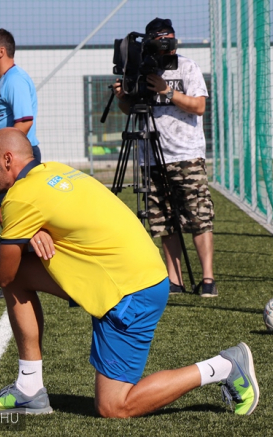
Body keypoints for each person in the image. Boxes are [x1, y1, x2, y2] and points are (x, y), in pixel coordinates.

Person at [0, 128, 259, 417]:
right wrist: (32, 232)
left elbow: (3, 274)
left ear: (8, 160)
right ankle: (29, 388)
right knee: (21, 273)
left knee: (114, 406)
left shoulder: (21, 197)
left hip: (131, 290)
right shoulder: (53, 170)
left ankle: (224, 366)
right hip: (137, 272)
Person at [113, 18, 217, 297]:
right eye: (160, 43)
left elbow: (199, 106)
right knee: (163, 220)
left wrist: (166, 90)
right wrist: (123, 96)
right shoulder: (139, 70)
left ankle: (208, 279)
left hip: (186, 154)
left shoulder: (187, 67)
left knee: (198, 216)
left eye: (169, 42)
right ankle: (175, 280)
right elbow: (131, 110)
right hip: (151, 157)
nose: (166, 49)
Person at [0, 28, 40, 299]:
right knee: (7, 216)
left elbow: (24, 122)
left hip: (15, 160)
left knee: (16, 218)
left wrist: (4, 158)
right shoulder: (2, 81)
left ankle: (19, 279)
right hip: (6, 159)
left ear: (1, 51)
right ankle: (19, 277)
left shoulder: (15, 80)